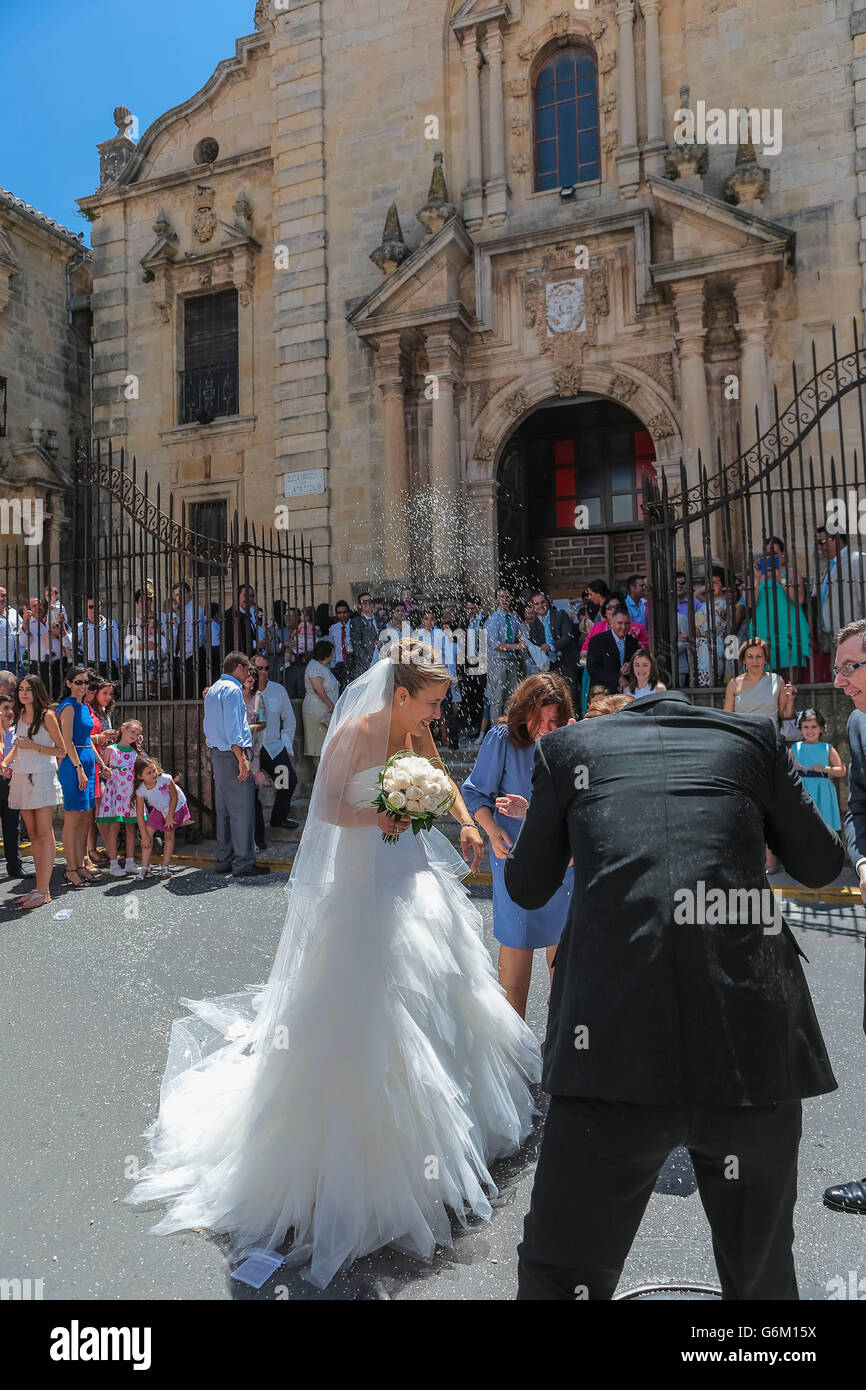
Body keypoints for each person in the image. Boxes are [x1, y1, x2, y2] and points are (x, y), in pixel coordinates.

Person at [126, 639, 544, 1289]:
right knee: (367, 1011)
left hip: (409, 874)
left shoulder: (414, 732)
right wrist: (389, 809)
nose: (435, 717)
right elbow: (328, 810)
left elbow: (442, 782)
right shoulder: (354, 732)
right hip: (360, 882)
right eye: (431, 704)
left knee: (439, 991)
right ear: (400, 694)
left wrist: (458, 819)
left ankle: (452, 1133)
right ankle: (370, 1166)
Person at [504, 683, 844, 1299]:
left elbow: (527, 886)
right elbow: (821, 864)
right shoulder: (754, 739)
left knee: (561, 1274)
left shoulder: (568, 750)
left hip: (609, 1049)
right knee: (761, 1274)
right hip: (749, 1049)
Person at [461, 674, 575, 1019]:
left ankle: (560, 1043)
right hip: (514, 855)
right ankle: (514, 1050)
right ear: (523, 710)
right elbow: (474, 792)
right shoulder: (502, 739)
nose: (544, 729)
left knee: (565, 956)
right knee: (517, 953)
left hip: (564, 860)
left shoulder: (572, 738)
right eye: (537, 720)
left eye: (552, 721)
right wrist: (492, 829)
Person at [825, 618, 866, 1213]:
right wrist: (862, 857)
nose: (840, 681)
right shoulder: (857, 725)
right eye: (837, 670)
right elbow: (857, 806)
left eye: (850, 667)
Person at [203, 652, 269, 878]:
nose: (250, 673)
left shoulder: (213, 689)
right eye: (249, 669)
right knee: (242, 810)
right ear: (239, 668)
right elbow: (233, 728)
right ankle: (243, 862)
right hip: (232, 754)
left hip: (217, 754)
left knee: (224, 811)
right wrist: (241, 759)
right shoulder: (232, 691)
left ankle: (224, 859)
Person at [1, 676, 65, 910]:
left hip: (42, 778)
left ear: (37, 692)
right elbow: (18, 744)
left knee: (45, 834)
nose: (24, 693)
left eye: (28, 690)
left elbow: (62, 750)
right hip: (21, 776)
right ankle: (38, 888)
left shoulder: (47, 715)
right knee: (34, 835)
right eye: (21, 689)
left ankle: (44, 890)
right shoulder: (18, 714)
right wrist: (6, 762)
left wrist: (34, 746)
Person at [57, 667, 106, 889]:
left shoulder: (84, 706)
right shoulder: (67, 706)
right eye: (78, 682)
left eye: (85, 682)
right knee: (73, 819)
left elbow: (87, 740)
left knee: (86, 818)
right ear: (68, 683)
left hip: (87, 762)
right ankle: (70, 869)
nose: (83, 686)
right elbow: (67, 741)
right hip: (74, 765)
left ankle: (80, 864)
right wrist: (78, 768)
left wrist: (102, 764)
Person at [251, 653, 299, 832]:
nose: (263, 672)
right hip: (252, 749)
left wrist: (285, 744)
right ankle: (255, 831)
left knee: (288, 781)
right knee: (250, 791)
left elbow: (289, 719)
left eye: (266, 668)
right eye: (259, 668)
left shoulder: (278, 690)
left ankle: (279, 818)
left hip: (273, 747)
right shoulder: (244, 692)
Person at [751, 537, 810, 681]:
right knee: (765, 681)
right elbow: (750, 602)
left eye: (774, 554)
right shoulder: (757, 576)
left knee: (790, 679)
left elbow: (799, 599)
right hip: (764, 631)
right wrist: (757, 579)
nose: (771, 558)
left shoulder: (791, 573)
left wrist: (781, 580)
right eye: (767, 555)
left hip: (789, 630)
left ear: (782, 554)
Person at [97, 719, 145, 876]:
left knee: (131, 827)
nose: (134, 735)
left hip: (130, 794)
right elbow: (102, 769)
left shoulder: (135, 752)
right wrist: (104, 773)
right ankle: (113, 863)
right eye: (132, 732)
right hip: (115, 793)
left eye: (137, 734)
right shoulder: (111, 749)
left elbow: (144, 766)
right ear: (123, 729)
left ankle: (130, 862)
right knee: (114, 827)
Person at [134, 755, 192, 880]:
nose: (154, 774)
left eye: (154, 770)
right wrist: (144, 835)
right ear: (140, 777)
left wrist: (170, 816)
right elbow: (139, 814)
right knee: (147, 835)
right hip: (160, 808)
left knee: (168, 834)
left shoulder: (165, 779)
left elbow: (174, 797)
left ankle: (165, 867)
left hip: (175, 807)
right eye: (149, 773)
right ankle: (144, 867)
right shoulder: (141, 790)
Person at [789, 709, 844, 833]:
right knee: (802, 827)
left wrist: (825, 768)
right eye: (806, 727)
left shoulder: (827, 748)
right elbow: (783, 769)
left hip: (823, 792)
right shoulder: (795, 748)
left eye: (814, 727)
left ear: (821, 728)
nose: (810, 731)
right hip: (801, 790)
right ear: (800, 729)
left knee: (824, 827)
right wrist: (793, 768)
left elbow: (841, 770)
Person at [723, 638, 796, 723]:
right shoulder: (733, 684)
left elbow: (785, 715)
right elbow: (727, 718)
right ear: (744, 660)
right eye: (750, 657)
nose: (755, 661)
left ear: (765, 660)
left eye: (759, 656)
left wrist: (790, 699)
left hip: (768, 733)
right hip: (744, 733)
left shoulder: (777, 680)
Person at [528, 592, 579, 704]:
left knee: (571, 697)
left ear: (547, 602)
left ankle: (574, 721)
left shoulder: (560, 615)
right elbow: (535, 646)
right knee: (554, 699)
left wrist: (551, 646)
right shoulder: (533, 625)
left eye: (542, 602)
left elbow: (568, 636)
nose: (540, 606)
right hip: (549, 666)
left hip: (566, 662)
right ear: (533, 606)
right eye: (536, 604)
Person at [484, 588, 527, 721]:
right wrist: (517, 646)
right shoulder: (493, 619)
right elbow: (495, 644)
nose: (504, 600)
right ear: (497, 600)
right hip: (497, 661)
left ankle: (509, 729)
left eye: (507, 597)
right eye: (501, 597)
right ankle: (496, 733)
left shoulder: (514, 618)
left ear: (511, 599)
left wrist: (521, 639)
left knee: (511, 698)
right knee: (497, 699)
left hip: (512, 661)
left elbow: (522, 635)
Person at [241, 664, 268, 853]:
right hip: (234, 752)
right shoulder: (232, 697)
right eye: (247, 675)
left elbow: (263, 723)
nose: (250, 678)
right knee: (239, 800)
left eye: (253, 676)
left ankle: (258, 839)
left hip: (253, 752)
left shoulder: (258, 698)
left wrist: (250, 729)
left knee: (252, 798)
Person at [302, 638, 340, 769]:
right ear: (328, 653)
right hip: (316, 713)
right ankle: (320, 780)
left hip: (322, 712)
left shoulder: (321, 667)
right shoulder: (314, 667)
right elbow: (318, 688)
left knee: (325, 746)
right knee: (318, 748)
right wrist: (330, 705)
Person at [586, 607, 640, 694]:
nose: (623, 627)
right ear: (611, 623)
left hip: (627, 693)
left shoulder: (633, 641)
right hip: (603, 693)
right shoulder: (597, 640)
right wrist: (617, 678)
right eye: (620, 623)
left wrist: (631, 666)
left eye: (627, 623)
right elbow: (593, 668)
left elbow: (638, 661)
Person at [0, 692, 24, 881]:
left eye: (12, 708)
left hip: (12, 781)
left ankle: (15, 867)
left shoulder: (18, 730)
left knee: (12, 826)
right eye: (6, 708)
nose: (9, 712)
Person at [171, 581, 208, 699]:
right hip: (183, 656)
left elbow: (196, 639)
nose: (179, 597)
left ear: (189, 594)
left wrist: (182, 655)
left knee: (191, 693)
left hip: (190, 656)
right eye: (176, 595)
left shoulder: (193, 610)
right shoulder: (184, 610)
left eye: (182, 593)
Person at [77, 599, 121, 679]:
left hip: (109, 665)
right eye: (91, 607)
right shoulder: (80, 627)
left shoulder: (111, 624)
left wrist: (123, 664)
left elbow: (118, 644)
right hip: (90, 665)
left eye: (97, 606)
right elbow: (71, 644)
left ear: (100, 608)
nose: (94, 609)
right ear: (85, 609)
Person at [347, 591, 383, 679]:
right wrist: (368, 662)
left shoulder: (381, 620)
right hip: (365, 666)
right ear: (359, 605)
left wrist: (382, 644)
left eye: (370, 601)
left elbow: (387, 639)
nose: (368, 604)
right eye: (364, 602)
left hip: (381, 662)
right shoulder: (356, 622)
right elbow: (356, 646)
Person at [223, 586, 259, 657]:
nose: (249, 599)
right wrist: (255, 644)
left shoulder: (250, 613)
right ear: (237, 597)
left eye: (251, 596)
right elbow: (231, 641)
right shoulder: (229, 615)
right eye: (245, 595)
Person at [328, 600, 353, 691]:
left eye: (344, 612)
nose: (342, 615)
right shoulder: (333, 628)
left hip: (352, 662)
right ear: (336, 614)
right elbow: (332, 646)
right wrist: (333, 664)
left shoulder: (354, 625)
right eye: (339, 613)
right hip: (338, 663)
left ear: (349, 613)